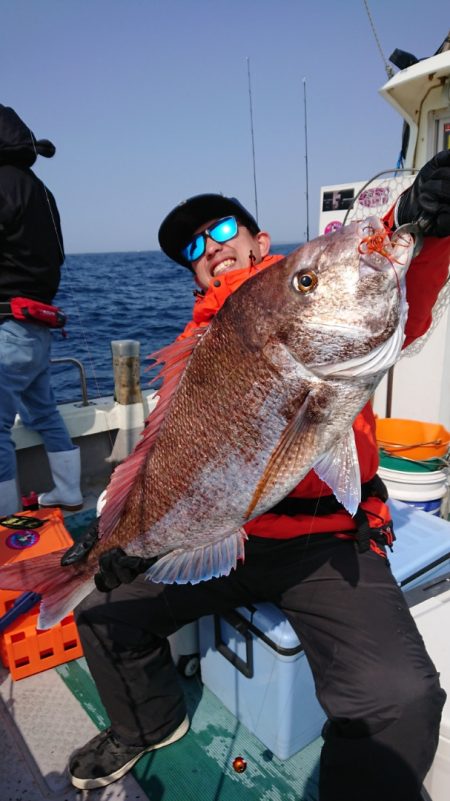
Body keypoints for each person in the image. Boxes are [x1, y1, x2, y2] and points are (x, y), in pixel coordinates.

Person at [66, 152, 450, 800]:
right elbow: (163, 459)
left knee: (401, 695)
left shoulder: (310, 287)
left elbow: (387, 302)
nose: (210, 247)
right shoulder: (194, 347)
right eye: (195, 245)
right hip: (224, 534)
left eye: (223, 231)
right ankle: (148, 722)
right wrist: (120, 537)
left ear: (260, 242)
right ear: (191, 270)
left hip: (324, 542)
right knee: (101, 613)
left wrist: (427, 229)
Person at [0, 105, 82, 516]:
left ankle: (5, 519)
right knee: (44, 412)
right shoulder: (41, 191)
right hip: (37, 329)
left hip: (5, 329)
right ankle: (68, 491)